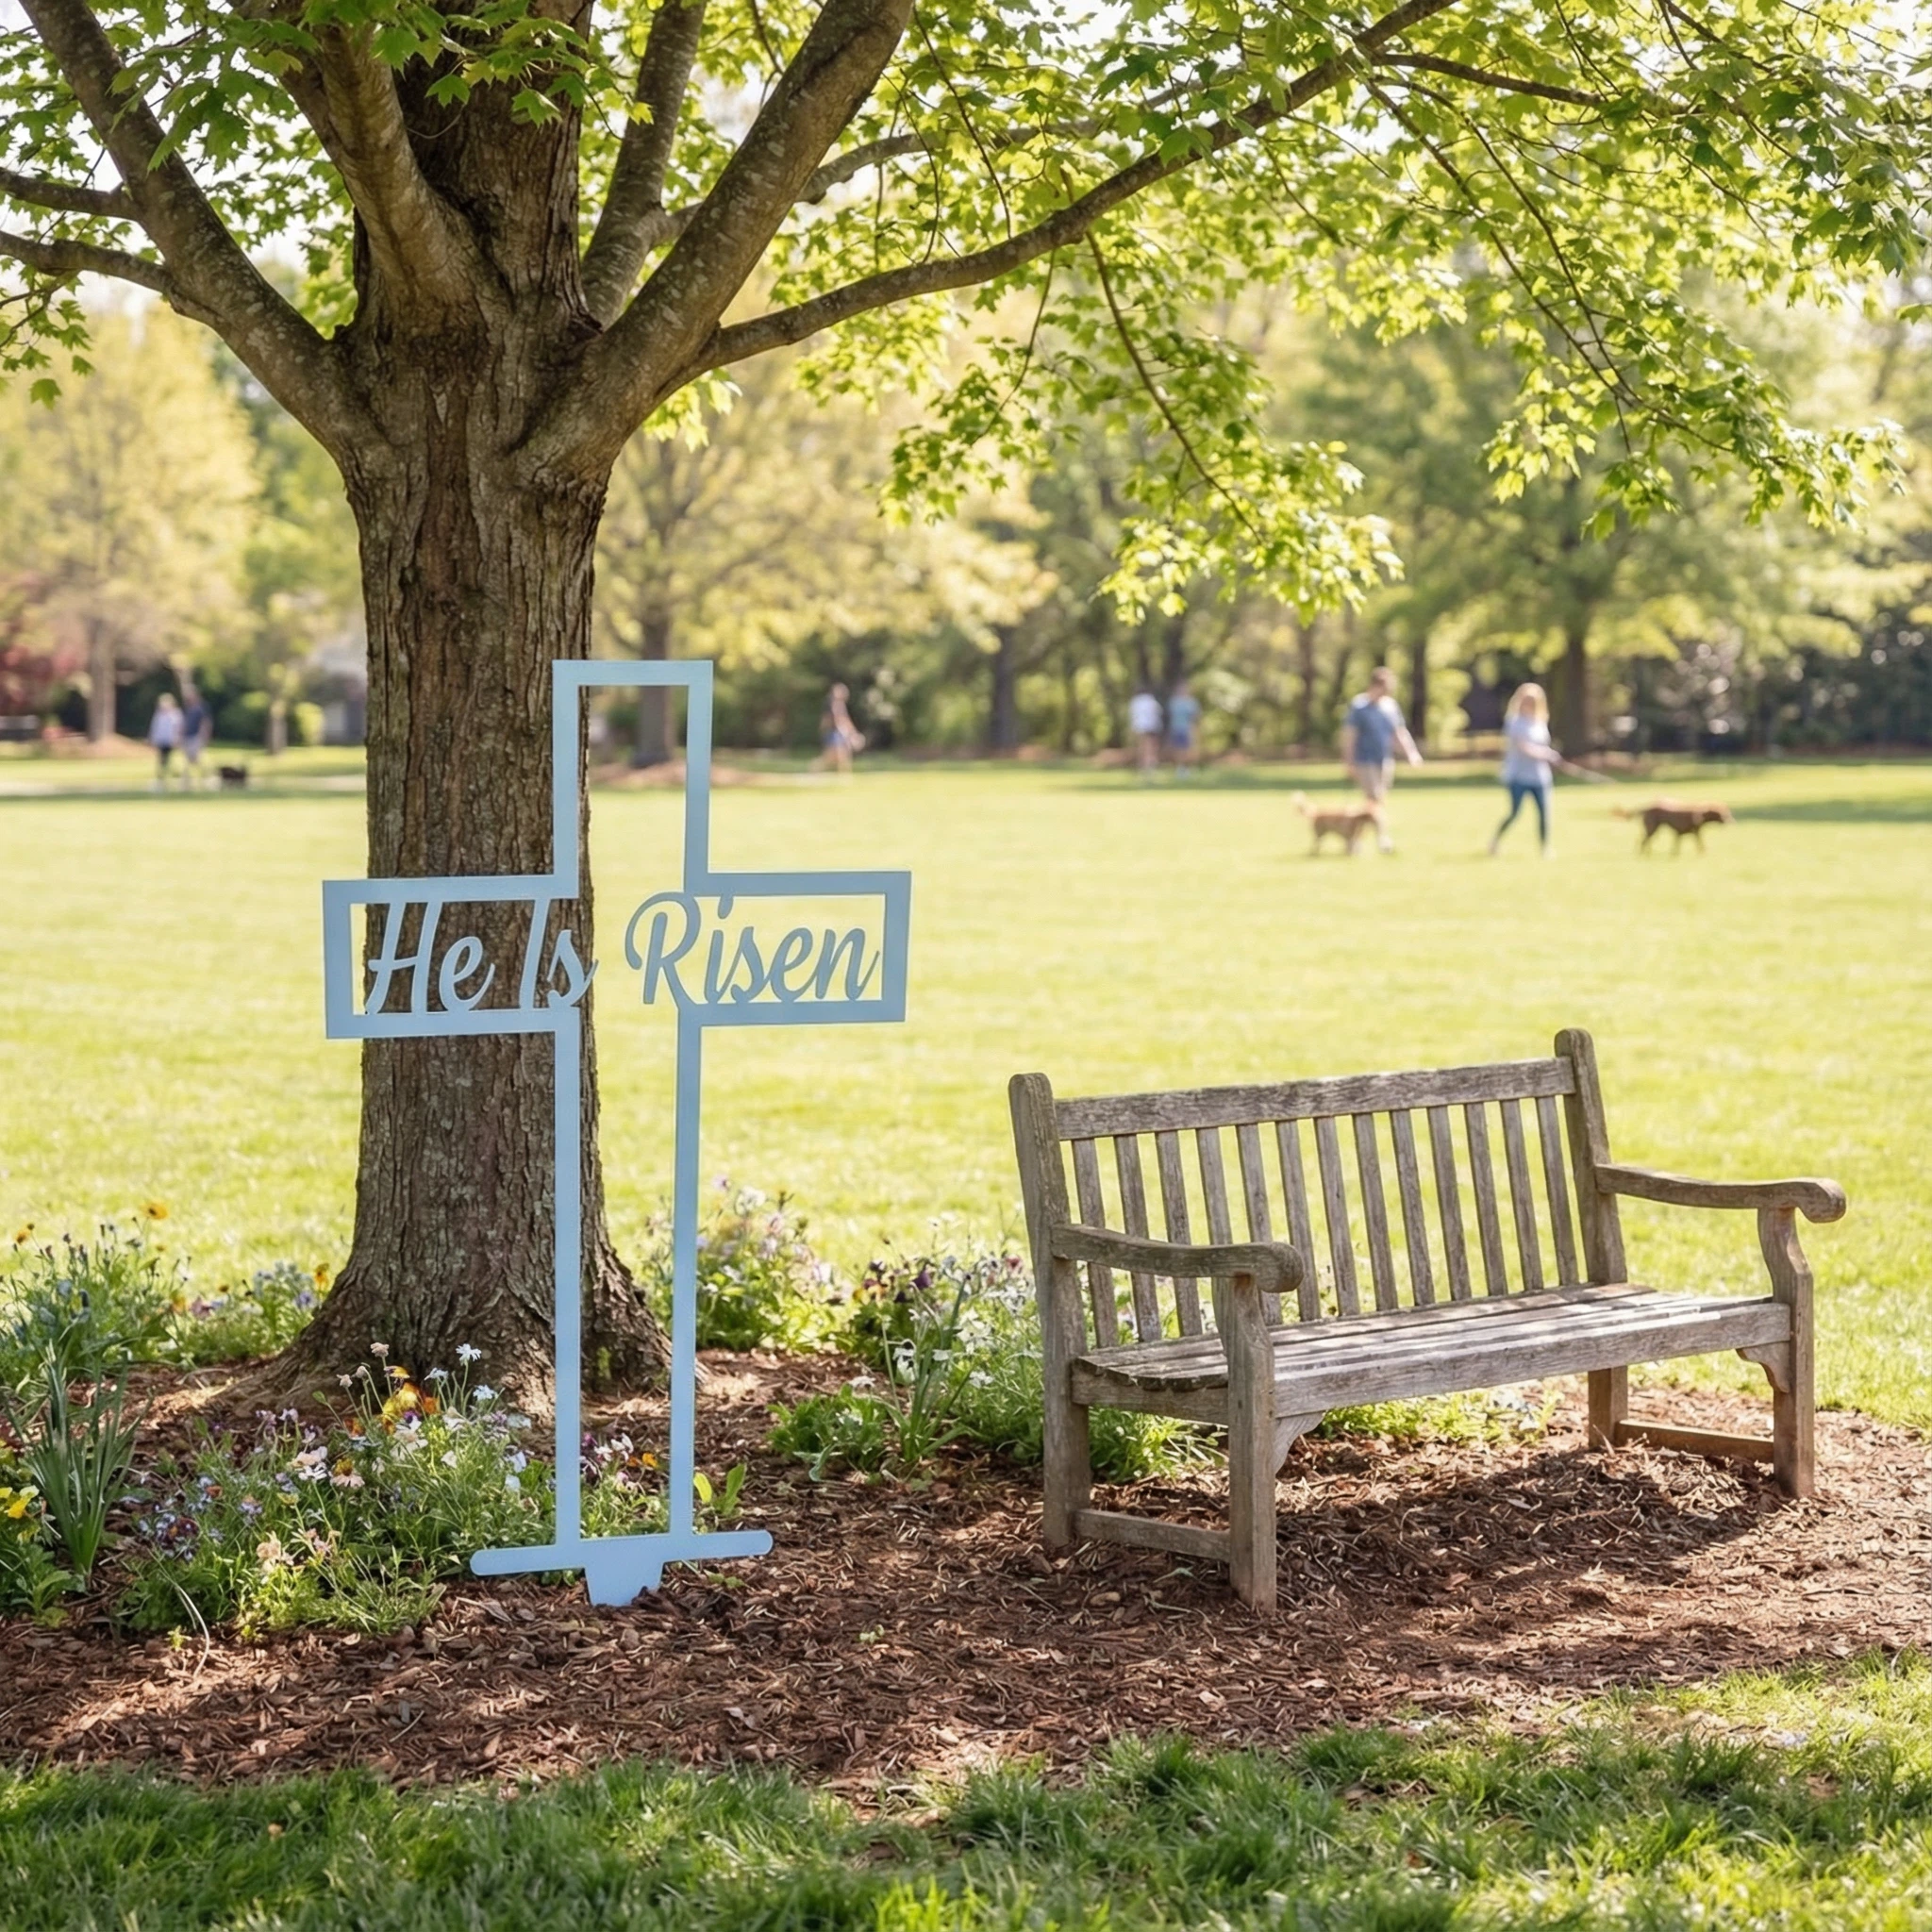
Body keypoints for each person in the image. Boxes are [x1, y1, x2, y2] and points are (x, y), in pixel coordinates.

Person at [1340, 663, 1423, 852]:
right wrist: (1348, 761)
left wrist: (1411, 753)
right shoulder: (1359, 706)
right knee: (1374, 800)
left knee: (1376, 803)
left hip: (1384, 760)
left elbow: (1399, 732)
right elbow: (1350, 735)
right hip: (1364, 760)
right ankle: (1382, 840)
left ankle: (1354, 841)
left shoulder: (1390, 706)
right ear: (1375, 685)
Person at [1489, 681, 1563, 857]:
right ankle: (1495, 842)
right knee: (1514, 813)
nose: (1528, 704)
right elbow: (1523, 747)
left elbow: (1542, 744)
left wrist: (1548, 755)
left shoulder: (1540, 722)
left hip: (1540, 776)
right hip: (1518, 776)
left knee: (1544, 814)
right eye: (1526, 700)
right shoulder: (1514, 722)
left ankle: (1545, 848)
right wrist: (1546, 754)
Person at [816, 681, 864, 775]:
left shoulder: (839, 705)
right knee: (834, 757)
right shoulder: (833, 704)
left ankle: (844, 776)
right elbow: (835, 720)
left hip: (837, 733)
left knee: (842, 755)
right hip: (834, 733)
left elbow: (844, 719)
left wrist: (851, 732)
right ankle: (815, 770)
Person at [179, 679, 212, 790]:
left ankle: (206, 778)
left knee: (197, 759)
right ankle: (186, 784)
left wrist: (204, 736)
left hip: (196, 737)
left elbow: (205, 723)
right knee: (187, 762)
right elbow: (184, 723)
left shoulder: (201, 708)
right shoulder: (188, 709)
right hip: (188, 737)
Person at [1166, 678, 1202, 778]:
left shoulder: (1191, 702)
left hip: (1188, 729)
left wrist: (1195, 729)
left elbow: (1196, 716)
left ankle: (1188, 767)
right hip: (1176, 728)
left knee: (1188, 749)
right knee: (1178, 749)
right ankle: (1180, 768)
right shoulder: (1174, 702)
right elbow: (1171, 716)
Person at [148, 692, 183, 791]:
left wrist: (177, 739)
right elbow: (155, 727)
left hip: (170, 740)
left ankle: (171, 776)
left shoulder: (175, 714)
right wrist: (152, 738)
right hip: (161, 740)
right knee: (161, 759)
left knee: (168, 759)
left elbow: (178, 728)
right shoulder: (159, 715)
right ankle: (161, 778)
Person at [1127, 685, 1162, 781]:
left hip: (1140, 727)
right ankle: (1149, 769)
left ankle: (1143, 768)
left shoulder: (1135, 701)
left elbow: (1133, 716)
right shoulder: (1151, 701)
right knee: (1150, 749)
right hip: (1151, 727)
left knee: (1142, 749)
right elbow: (1157, 712)